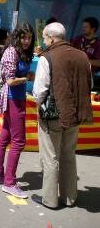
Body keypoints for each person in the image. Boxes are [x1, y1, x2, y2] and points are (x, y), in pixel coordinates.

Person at [32, 22, 92, 209]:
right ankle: (69, 198)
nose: (44, 40)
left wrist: (39, 107)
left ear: (51, 37)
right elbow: (88, 84)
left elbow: (39, 91)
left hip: (53, 115)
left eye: (44, 37)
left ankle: (49, 200)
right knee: (68, 155)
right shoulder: (82, 56)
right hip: (74, 113)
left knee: (51, 157)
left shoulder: (47, 57)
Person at [0, 22, 35, 199]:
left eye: (29, 38)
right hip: (13, 99)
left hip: (16, 98)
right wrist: (26, 78)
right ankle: (9, 183)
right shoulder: (12, 51)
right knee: (19, 141)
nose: (26, 41)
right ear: (17, 37)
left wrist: (27, 77)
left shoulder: (21, 52)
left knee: (5, 136)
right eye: (23, 37)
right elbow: (10, 81)